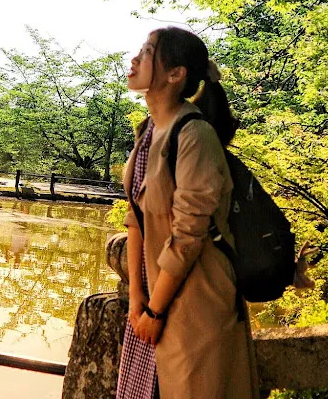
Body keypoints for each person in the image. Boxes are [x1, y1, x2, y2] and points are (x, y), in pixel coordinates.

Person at [116, 27, 258, 399]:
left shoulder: (195, 136)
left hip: (195, 303)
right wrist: (137, 297)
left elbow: (188, 237)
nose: (134, 59)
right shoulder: (149, 131)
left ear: (175, 74)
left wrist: (156, 312)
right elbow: (135, 218)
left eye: (148, 52)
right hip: (154, 299)